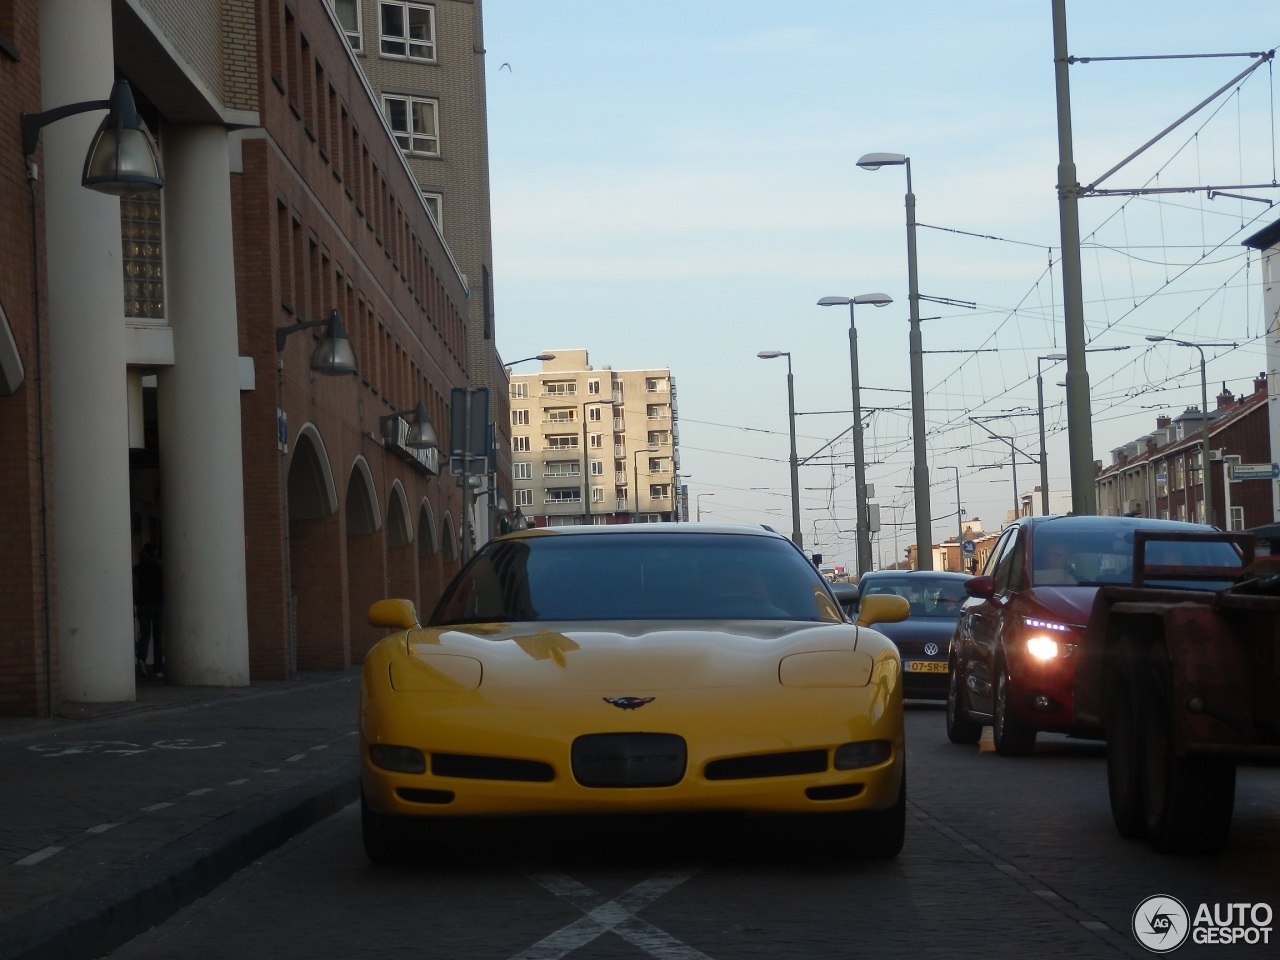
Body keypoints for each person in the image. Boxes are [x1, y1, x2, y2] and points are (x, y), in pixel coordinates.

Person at [133, 542, 164, 678]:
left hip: (142, 604)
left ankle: (141, 659)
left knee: (145, 635)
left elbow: (134, 586)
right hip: (157, 604)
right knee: (158, 637)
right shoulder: (159, 569)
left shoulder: (137, 569)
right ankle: (158, 669)